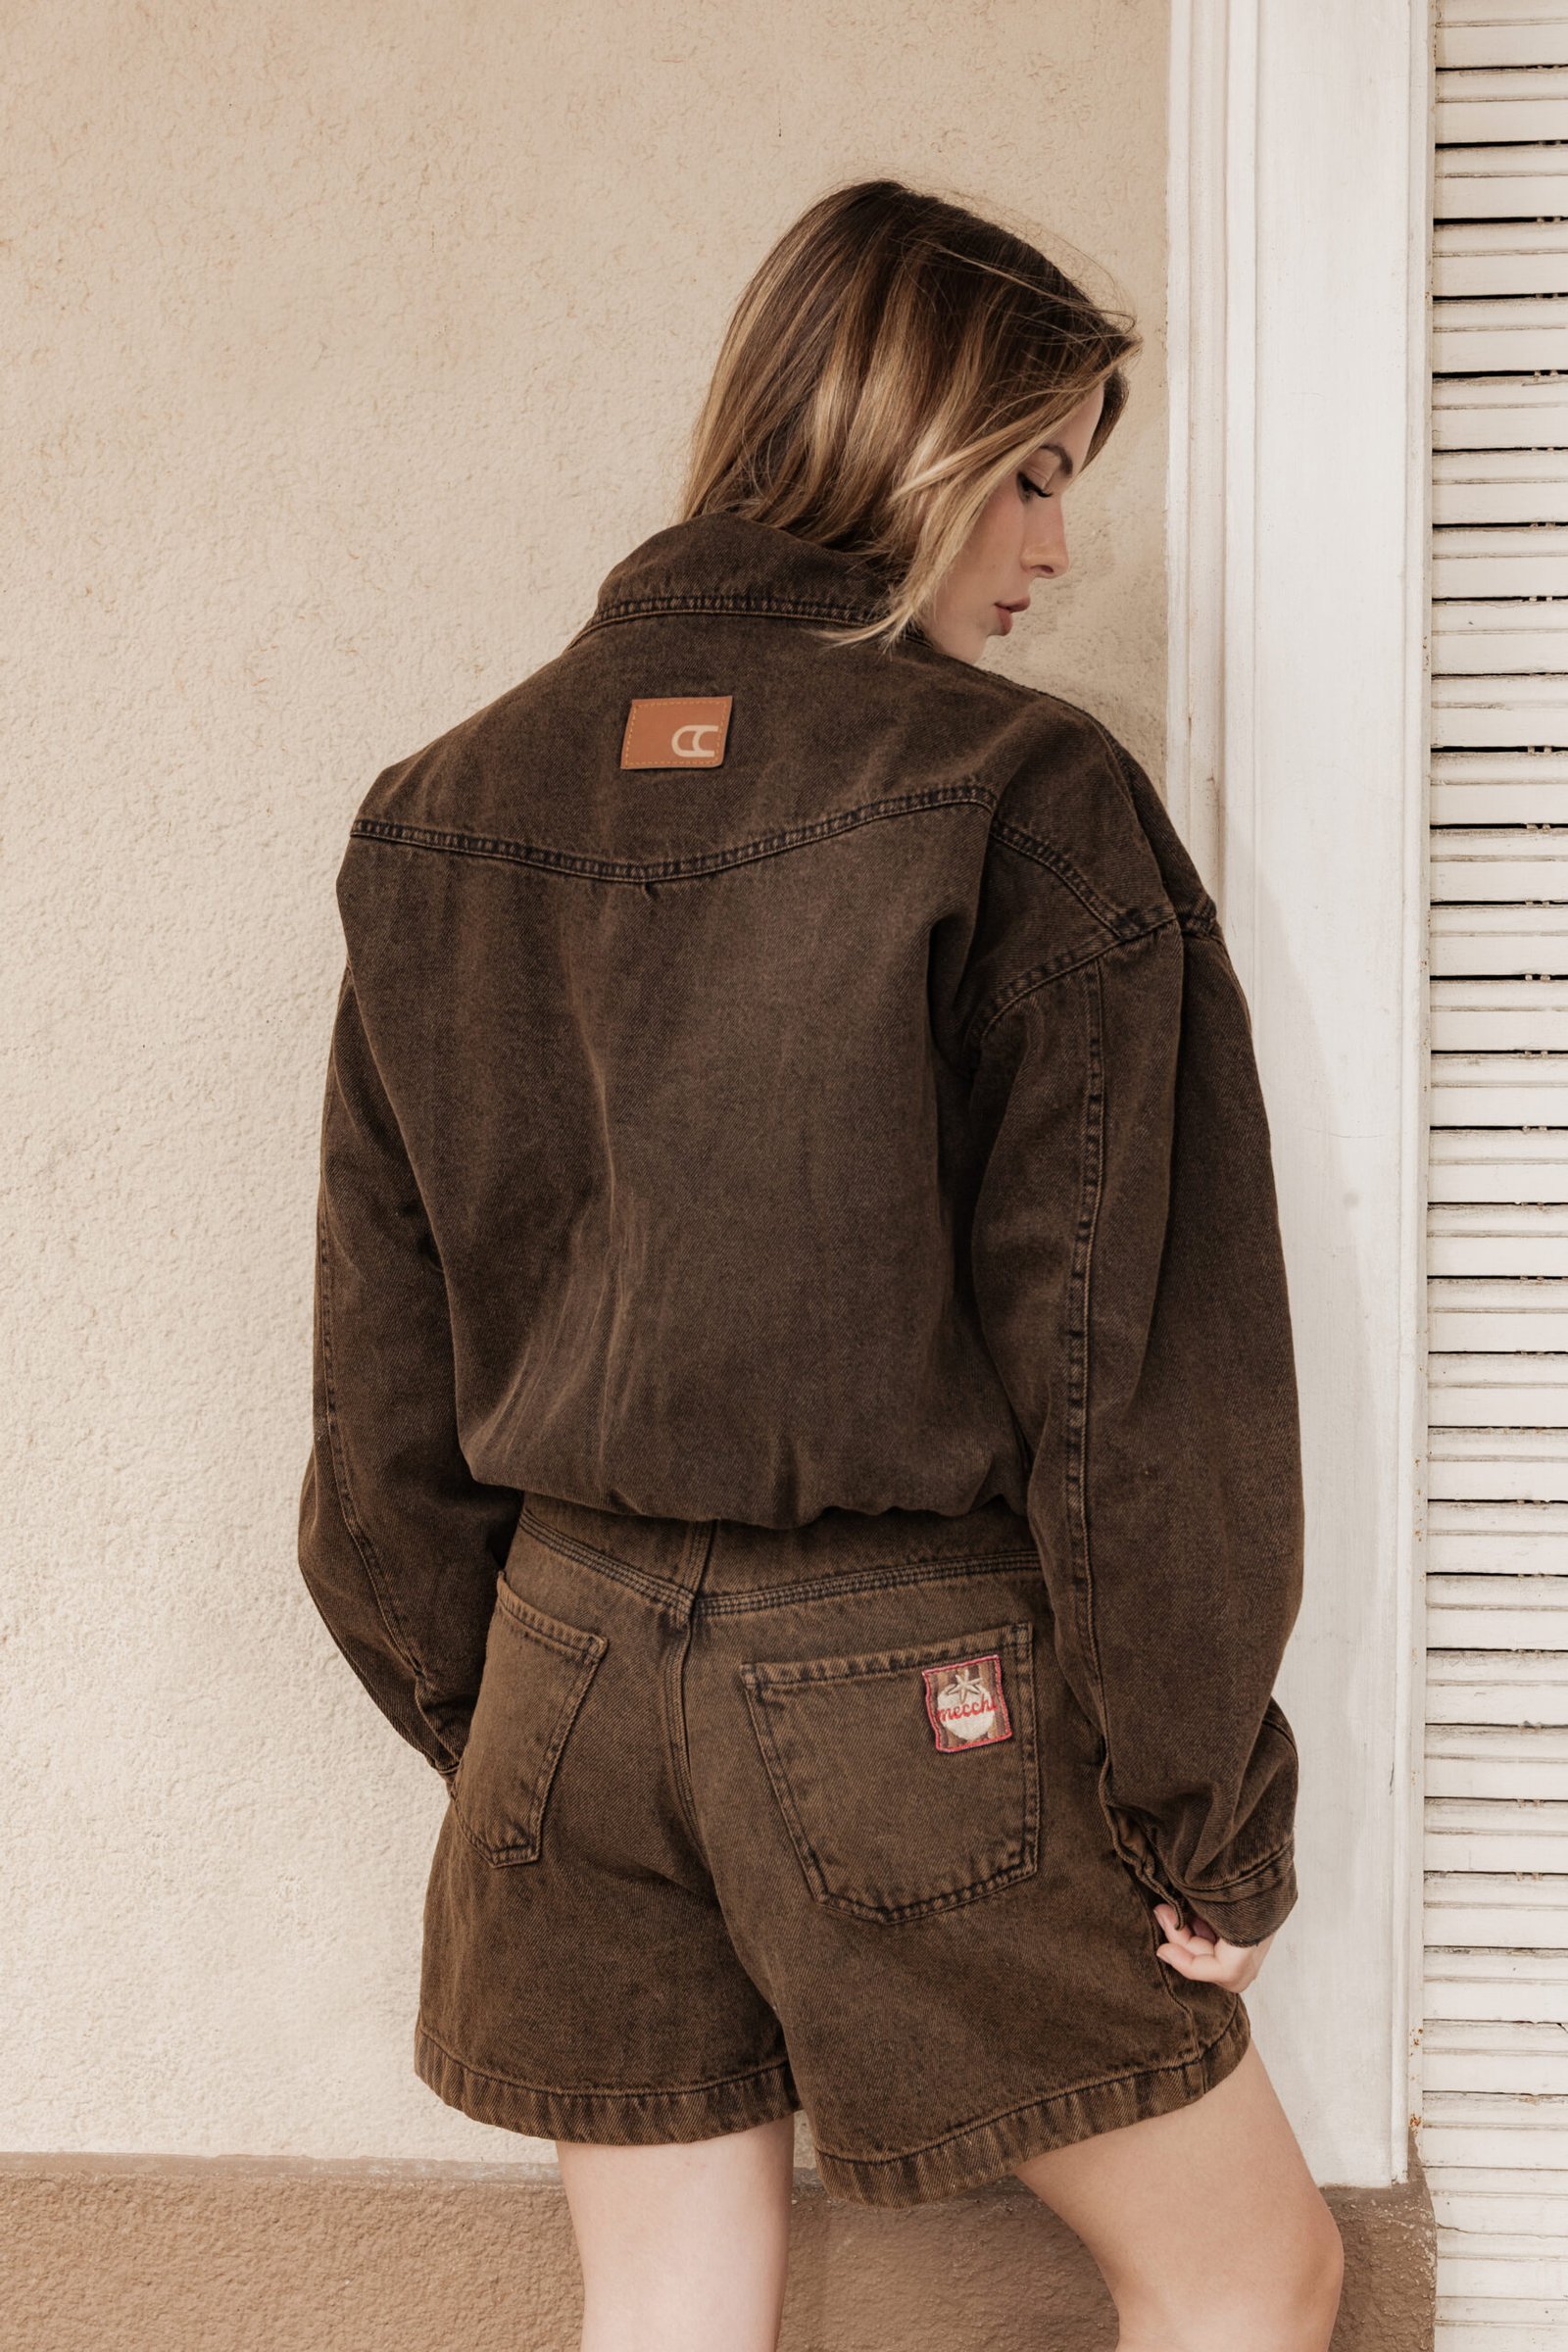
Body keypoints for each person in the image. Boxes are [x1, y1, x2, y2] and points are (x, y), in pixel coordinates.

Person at [296, 177, 1345, 2351]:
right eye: (1030, 473)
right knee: (1247, 2270)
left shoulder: (440, 803)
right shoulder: (1018, 792)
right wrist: (1201, 1811)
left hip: (563, 1673)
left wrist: (494, 1714)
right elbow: (1124, 1370)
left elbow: (378, 1374)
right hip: (901, 1686)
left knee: (669, 2308)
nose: (1058, 547)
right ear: (899, 436)